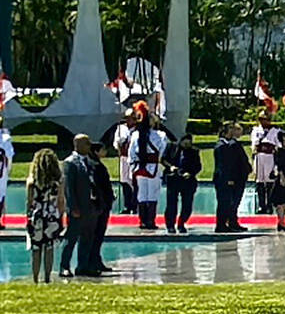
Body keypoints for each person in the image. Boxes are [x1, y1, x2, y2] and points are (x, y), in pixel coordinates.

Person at [63, 137, 113, 277]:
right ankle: (64, 266)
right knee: (71, 238)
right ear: (78, 144)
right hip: (78, 207)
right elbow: (68, 187)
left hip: (91, 207)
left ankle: (83, 266)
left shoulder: (90, 162)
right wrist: (73, 207)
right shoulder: (70, 163)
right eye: (87, 143)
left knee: (87, 238)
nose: (89, 146)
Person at [115, 103, 167, 231]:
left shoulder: (135, 135)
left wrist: (133, 167)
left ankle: (143, 220)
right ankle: (150, 220)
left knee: (142, 194)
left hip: (139, 168)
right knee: (153, 194)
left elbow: (131, 153)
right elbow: (163, 151)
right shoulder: (160, 135)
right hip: (154, 167)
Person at [22, 132, 66, 280]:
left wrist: (28, 217)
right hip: (52, 215)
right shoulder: (58, 181)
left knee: (36, 249)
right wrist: (61, 216)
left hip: (37, 216)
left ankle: (35, 278)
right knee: (49, 248)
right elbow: (61, 201)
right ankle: (47, 277)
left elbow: (29, 202)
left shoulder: (32, 182)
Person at [210, 129, 249, 234]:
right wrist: (229, 178)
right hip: (224, 179)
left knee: (233, 202)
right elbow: (224, 165)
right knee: (224, 202)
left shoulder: (232, 145)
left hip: (236, 178)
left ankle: (232, 222)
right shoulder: (221, 146)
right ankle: (221, 224)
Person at [162, 132, 199, 232]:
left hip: (187, 181)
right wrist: (171, 167)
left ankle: (181, 222)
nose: (186, 145)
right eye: (185, 143)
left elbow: (198, 166)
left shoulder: (194, 151)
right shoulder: (171, 148)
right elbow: (164, 159)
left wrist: (190, 173)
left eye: (189, 144)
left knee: (187, 204)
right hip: (173, 179)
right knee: (171, 204)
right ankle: (170, 225)